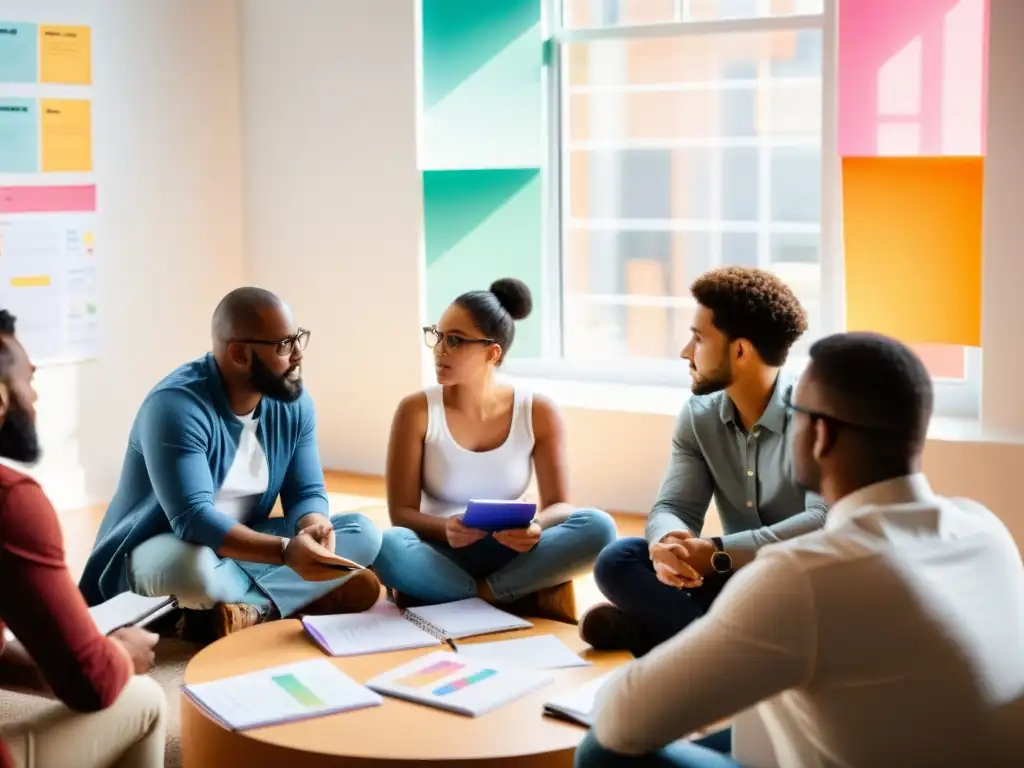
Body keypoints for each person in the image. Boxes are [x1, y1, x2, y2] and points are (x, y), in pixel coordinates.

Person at [575, 332, 1024, 768]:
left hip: (763, 610)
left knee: (601, 751)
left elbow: (619, 722)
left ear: (821, 434)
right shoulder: (986, 527)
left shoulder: (803, 576)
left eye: (795, 412)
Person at [78, 288, 383, 641]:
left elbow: (306, 490)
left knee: (363, 532)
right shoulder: (176, 407)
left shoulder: (291, 401)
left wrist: (313, 528)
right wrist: (285, 553)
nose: (298, 354)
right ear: (239, 353)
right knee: (195, 570)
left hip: (245, 543)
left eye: (299, 339)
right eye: (284, 344)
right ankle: (298, 596)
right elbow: (193, 520)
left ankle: (247, 611)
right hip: (161, 547)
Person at [581, 267, 826, 656]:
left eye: (697, 338)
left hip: (799, 584)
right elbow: (675, 506)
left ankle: (665, 636)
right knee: (618, 559)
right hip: (732, 580)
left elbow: (821, 522)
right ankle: (718, 645)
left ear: (740, 350)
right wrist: (668, 545)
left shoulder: (815, 416)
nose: (685, 352)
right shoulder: (699, 414)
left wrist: (717, 549)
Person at [372, 278, 617, 621]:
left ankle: (473, 596)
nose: (440, 349)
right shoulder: (416, 410)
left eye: (454, 340)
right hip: (442, 550)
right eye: (437, 335)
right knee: (387, 545)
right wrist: (445, 529)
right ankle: (502, 594)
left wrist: (535, 528)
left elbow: (560, 505)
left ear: (492, 352)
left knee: (599, 526)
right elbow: (402, 513)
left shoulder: (538, 412)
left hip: (512, 551)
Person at [0, 309, 167, 768]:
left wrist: (60, 665)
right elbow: (93, 686)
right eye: (26, 379)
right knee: (145, 697)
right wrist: (118, 653)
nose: (33, 395)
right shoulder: (11, 503)